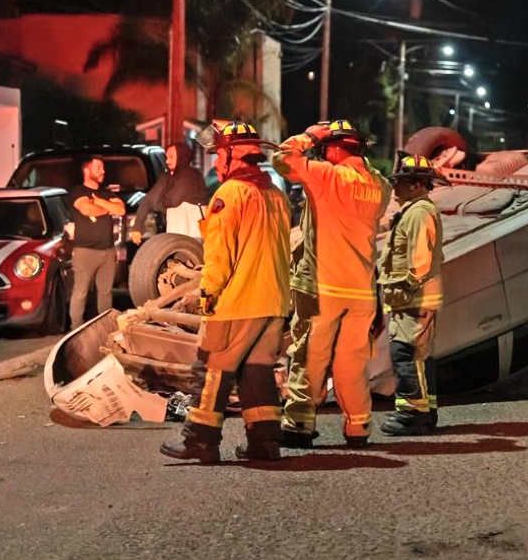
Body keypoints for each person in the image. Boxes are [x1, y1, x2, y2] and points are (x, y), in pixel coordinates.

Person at [160, 121, 291, 463]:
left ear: (233, 155)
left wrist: (206, 294)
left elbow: (219, 257)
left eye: (219, 154)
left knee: (212, 369)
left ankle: (199, 440)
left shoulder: (229, 195)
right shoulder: (276, 195)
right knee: (258, 374)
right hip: (274, 303)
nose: (217, 163)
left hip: (238, 302)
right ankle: (265, 444)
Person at [273, 119, 391, 448]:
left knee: (309, 356)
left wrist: (309, 136)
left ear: (337, 148)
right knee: (351, 363)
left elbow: (282, 159)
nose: (323, 155)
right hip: (361, 292)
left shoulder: (327, 177)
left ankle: (298, 425)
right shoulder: (378, 185)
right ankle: (358, 427)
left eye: (327, 149)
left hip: (323, 287)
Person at [378, 155, 447, 436]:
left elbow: (419, 260)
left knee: (406, 355)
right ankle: (425, 412)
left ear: (418, 185)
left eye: (402, 183)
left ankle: (412, 415)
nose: (395, 189)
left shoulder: (419, 213)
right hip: (414, 297)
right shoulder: (416, 210)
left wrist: (404, 288)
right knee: (418, 356)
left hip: (413, 299)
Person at [68, 155, 124, 328]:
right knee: (81, 292)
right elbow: (86, 209)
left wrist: (100, 202)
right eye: (99, 167)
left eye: (103, 168)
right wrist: (108, 208)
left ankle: (105, 328)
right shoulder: (78, 192)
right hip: (86, 251)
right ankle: (76, 328)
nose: (103, 171)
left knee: (106, 293)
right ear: (87, 170)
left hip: (107, 251)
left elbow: (120, 209)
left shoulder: (106, 193)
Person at [127, 139, 208, 244]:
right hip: (175, 234)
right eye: (166, 157)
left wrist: (159, 203)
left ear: (181, 156)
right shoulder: (167, 177)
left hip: (194, 235)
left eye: (171, 157)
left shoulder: (191, 175)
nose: (166, 161)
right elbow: (148, 200)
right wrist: (137, 227)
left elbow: (173, 200)